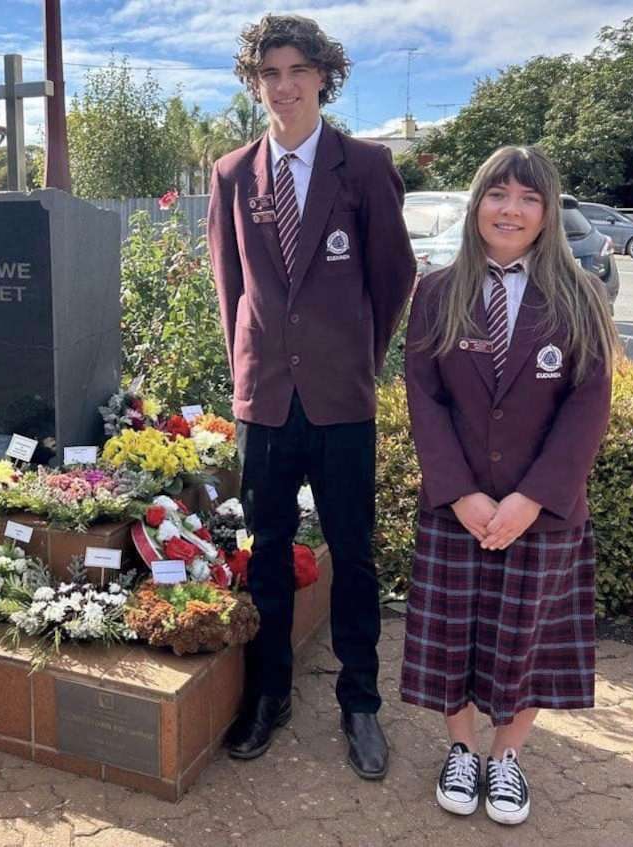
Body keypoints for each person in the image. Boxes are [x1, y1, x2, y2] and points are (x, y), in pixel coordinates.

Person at [207, 14, 415, 777]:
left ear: (324, 75)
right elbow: (230, 291)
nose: (284, 86)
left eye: (298, 71)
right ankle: (269, 695)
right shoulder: (232, 173)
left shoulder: (362, 167)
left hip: (341, 404)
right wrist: (249, 370)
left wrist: (355, 356)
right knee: (265, 556)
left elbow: (393, 278)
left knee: (353, 556)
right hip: (265, 403)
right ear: (255, 83)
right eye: (270, 74)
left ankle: (360, 703)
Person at [401, 145, 617, 825]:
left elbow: (589, 403)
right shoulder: (437, 292)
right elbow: (424, 398)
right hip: (454, 506)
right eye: (498, 194)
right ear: (477, 204)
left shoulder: (578, 294)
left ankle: (508, 756)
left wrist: (531, 497)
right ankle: (462, 747)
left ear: (547, 213)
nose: (511, 209)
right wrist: (461, 492)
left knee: (529, 641)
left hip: (544, 513)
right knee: (451, 640)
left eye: (528, 198)